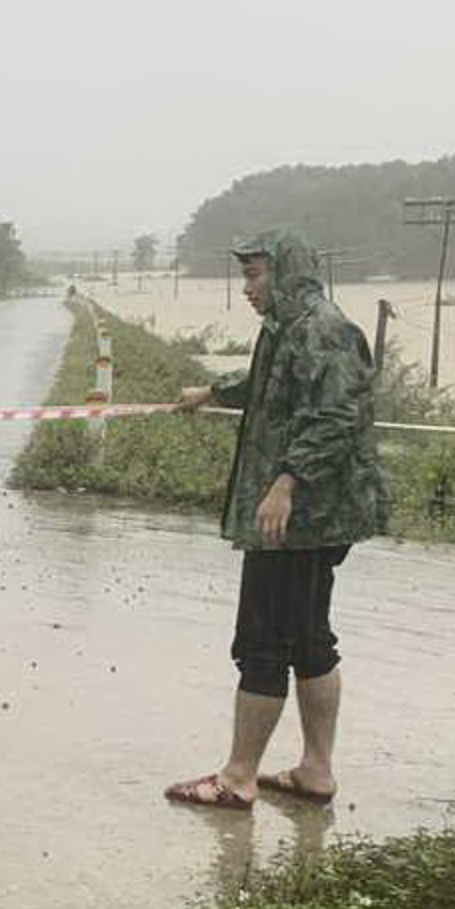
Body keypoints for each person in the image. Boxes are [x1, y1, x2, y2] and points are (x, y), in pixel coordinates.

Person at [164, 228, 389, 811]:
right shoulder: (285, 330)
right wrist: (212, 392)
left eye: (255, 274)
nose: (247, 287)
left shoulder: (323, 328)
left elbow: (338, 416)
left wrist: (285, 483)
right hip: (305, 517)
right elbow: (271, 391)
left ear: (287, 271)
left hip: (300, 520)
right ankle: (315, 771)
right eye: (244, 275)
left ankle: (237, 778)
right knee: (310, 641)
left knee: (263, 642)